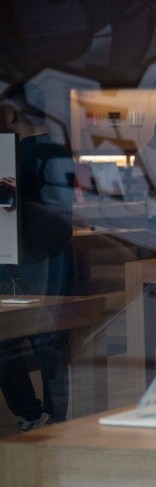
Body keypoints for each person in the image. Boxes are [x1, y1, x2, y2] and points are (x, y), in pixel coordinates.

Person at [0, 82, 76, 429]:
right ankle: (55, 416)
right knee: (51, 344)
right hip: (57, 261)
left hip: (21, 265)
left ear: (11, 114)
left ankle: (29, 412)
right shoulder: (60, 152)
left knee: (6, 343)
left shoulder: (12, 155)